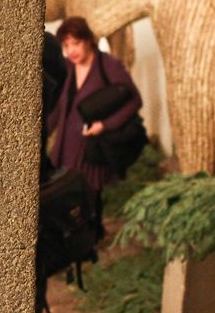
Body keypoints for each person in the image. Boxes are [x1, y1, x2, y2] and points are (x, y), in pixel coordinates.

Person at [47, 16, 143, 222]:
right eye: (66, 45)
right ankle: (79, 232)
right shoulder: (68, 68)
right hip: (66, 144)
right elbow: (60, 107)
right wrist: (42, 132)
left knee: (90, 196)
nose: (71, 50)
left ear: (88, 40)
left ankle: (93, 233)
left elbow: (134, 100)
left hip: (92, 145)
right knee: (66, 194)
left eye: (76, 43)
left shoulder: (108, 65)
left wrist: (105, 125)